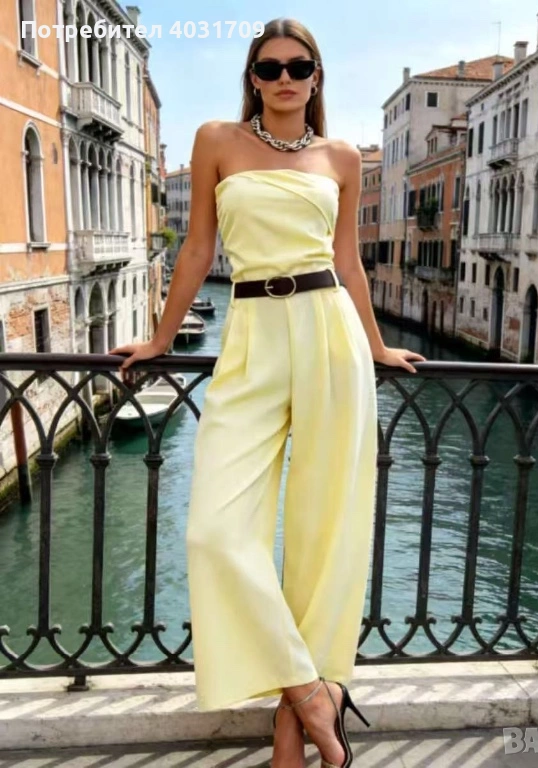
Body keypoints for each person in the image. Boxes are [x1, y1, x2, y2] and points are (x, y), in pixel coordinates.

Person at [110, 17, 425, 768]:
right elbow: (197, 248)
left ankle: (293, 731)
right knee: (214, 532)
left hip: (329, 335)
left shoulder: (340, 157)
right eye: (270, 67)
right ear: (252, 78)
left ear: (316, 77)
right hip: (250, 334)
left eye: (298, 66)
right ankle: (315, 693)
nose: (285, 79)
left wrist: (376, 345)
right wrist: (159, 338)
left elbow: (349, 261)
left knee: (325, 536)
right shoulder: (216, 140)